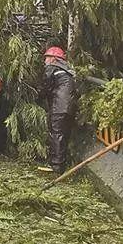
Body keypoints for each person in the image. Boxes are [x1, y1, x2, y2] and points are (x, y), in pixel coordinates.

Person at [39, 46, 76, 174]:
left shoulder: (52, 68)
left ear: (54, 59)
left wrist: (38, 96)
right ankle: (62, 164)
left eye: (47, 58)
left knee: (57, 134)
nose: (45, 61)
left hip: (59, 107)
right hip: (69, 108)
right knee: (64, 135)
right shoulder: (67, 71)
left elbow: (46, 86)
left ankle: (56, 166)